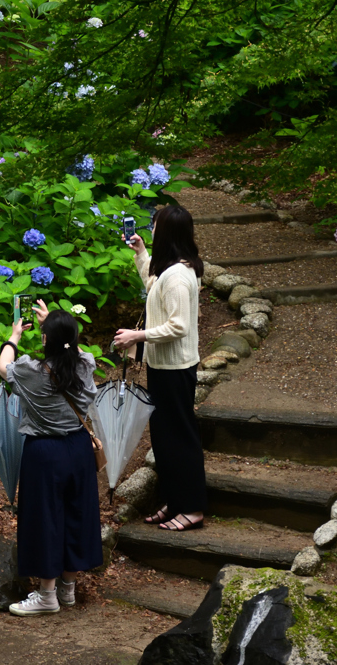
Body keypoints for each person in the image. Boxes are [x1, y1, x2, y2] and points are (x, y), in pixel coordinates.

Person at [0, 302, 102, 616]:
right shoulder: (85, 364)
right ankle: (68, 588)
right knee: (76, 514)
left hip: (45, 453)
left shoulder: (32, 372)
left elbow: (3, 366)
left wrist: (14, 336)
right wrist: (58, 329)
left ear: (46, 341)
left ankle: (47, 595)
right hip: (79, 449)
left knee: (45, 519)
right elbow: (74, 349)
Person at [113, 205, 207, 532]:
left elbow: (179, 326)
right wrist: (141, 254)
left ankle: (192, 508)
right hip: (163, 365)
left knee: (180, 438)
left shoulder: (178, 276)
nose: (150, 230)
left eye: (154, 226)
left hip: (175, 369)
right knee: (165, 439)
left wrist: (137, 336)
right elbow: (155, 289)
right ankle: (174, 500)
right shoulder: (172, 268)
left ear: (165, 232)